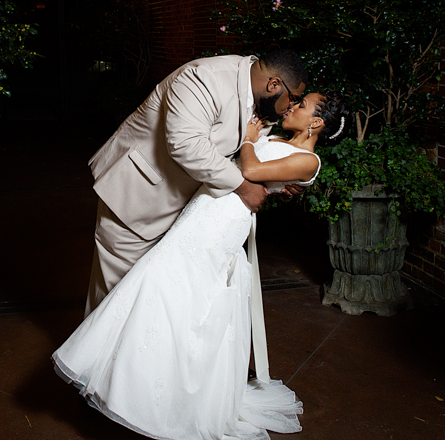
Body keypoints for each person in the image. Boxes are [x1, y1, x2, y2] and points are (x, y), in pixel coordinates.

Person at [53, 90, 354, 440]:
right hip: (203, 209)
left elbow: (251, 169)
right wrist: (252, 143)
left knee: (169, 289)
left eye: (302, 106)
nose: (292, 106)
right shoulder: (276, 136)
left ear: (316, 123)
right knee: (161, 286)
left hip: (223, 223)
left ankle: (157, 398)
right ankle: (137, 386)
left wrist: (247, 141)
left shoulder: (308, 161)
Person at [85, 50, 308, 315]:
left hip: (182, 214)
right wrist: (244, 187)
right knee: (115, 304)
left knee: (151, 307)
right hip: (137, 199)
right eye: (292, 98)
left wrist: (277, 182)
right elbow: (187, 145)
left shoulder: (263, 104)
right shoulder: (205, 78)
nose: (290, 107)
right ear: (274, 84)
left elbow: (245, 157)